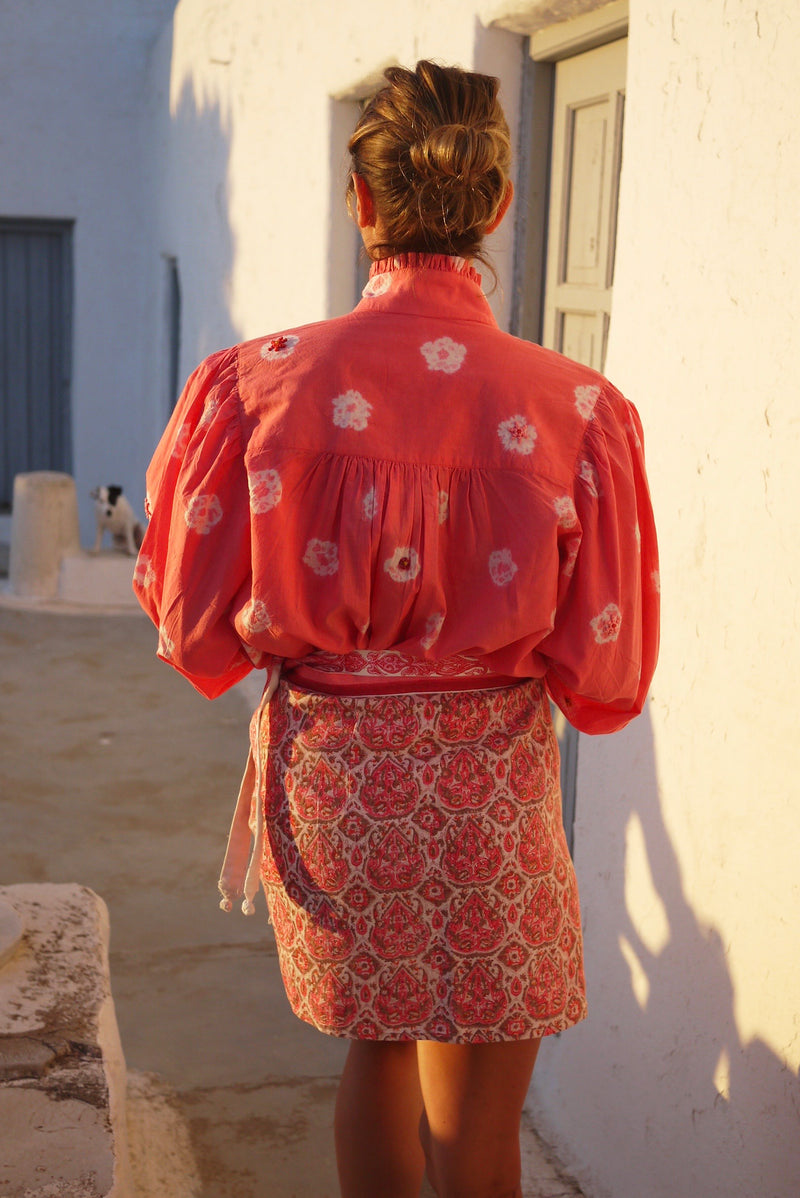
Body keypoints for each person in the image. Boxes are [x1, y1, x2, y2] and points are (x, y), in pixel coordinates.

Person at [135, 59, 659, 1198]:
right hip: (489, 787)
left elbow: (188, 625)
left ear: (359, 202)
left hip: (334, 785)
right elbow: (604, 677)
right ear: (500, 208)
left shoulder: (252, 385)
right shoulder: (576, 410)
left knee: (371, 1045)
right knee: (477, 1128)